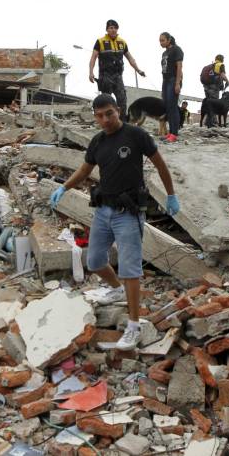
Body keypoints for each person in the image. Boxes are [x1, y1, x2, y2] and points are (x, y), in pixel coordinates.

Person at [49, 94, 180, 350]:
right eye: (99, 115)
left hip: (128, 213)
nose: (105, 120)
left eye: (109, 113)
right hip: (102, 211)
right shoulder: (97, 142)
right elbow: (85, 170)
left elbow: (160, 164)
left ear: (118, 110)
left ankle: (134, 325)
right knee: (95, 261)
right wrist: (63, 188)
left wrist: (171, 195)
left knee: (130, 269)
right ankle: (116, 290)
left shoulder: (136, 135)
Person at [89, 20, 146, 120]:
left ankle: (122, 122)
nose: (113, 30)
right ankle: (106, 122)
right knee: (106, 101)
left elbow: (130, 58)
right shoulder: (100, 41)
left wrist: (138, 70)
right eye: (111, 28)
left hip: (118, 76)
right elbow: (93, 57)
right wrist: (91, 72)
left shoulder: (122, 42)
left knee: (122, 100)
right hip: (105, 76)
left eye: (115, 28)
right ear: (107, 29)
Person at [159, 32, 184, 143]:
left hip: (174, 80)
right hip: (165, 80)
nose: (161, 43)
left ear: (169, 40)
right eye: (160, 40)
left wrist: (177, 83)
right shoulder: (164, 53)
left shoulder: (177, 50)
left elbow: (179, 67)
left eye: (163, 40)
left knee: (173, 107)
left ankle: (174, 134)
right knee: (167, 106)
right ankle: (170, 132)